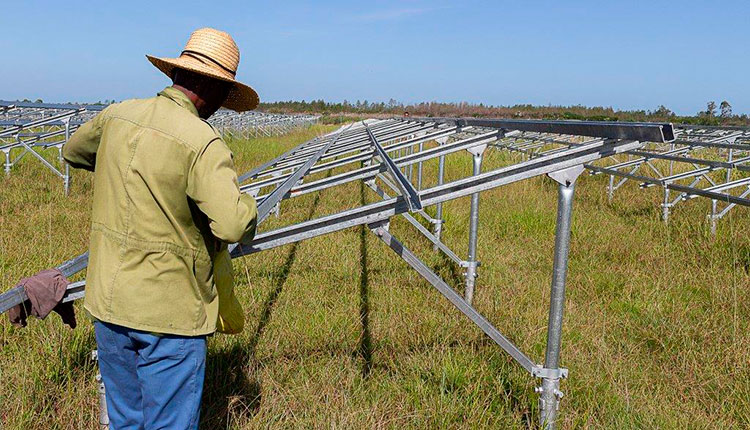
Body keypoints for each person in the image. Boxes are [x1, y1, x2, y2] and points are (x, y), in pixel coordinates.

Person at [62, 28, 258, 429]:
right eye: (224, 94)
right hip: (171, 315)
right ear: (210, 86)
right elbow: (234, 224)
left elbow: (73, 152)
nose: (221, 105)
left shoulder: (117, 115)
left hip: (110, 303)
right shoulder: (202, 141)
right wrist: (247, 204)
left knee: (126, 419)